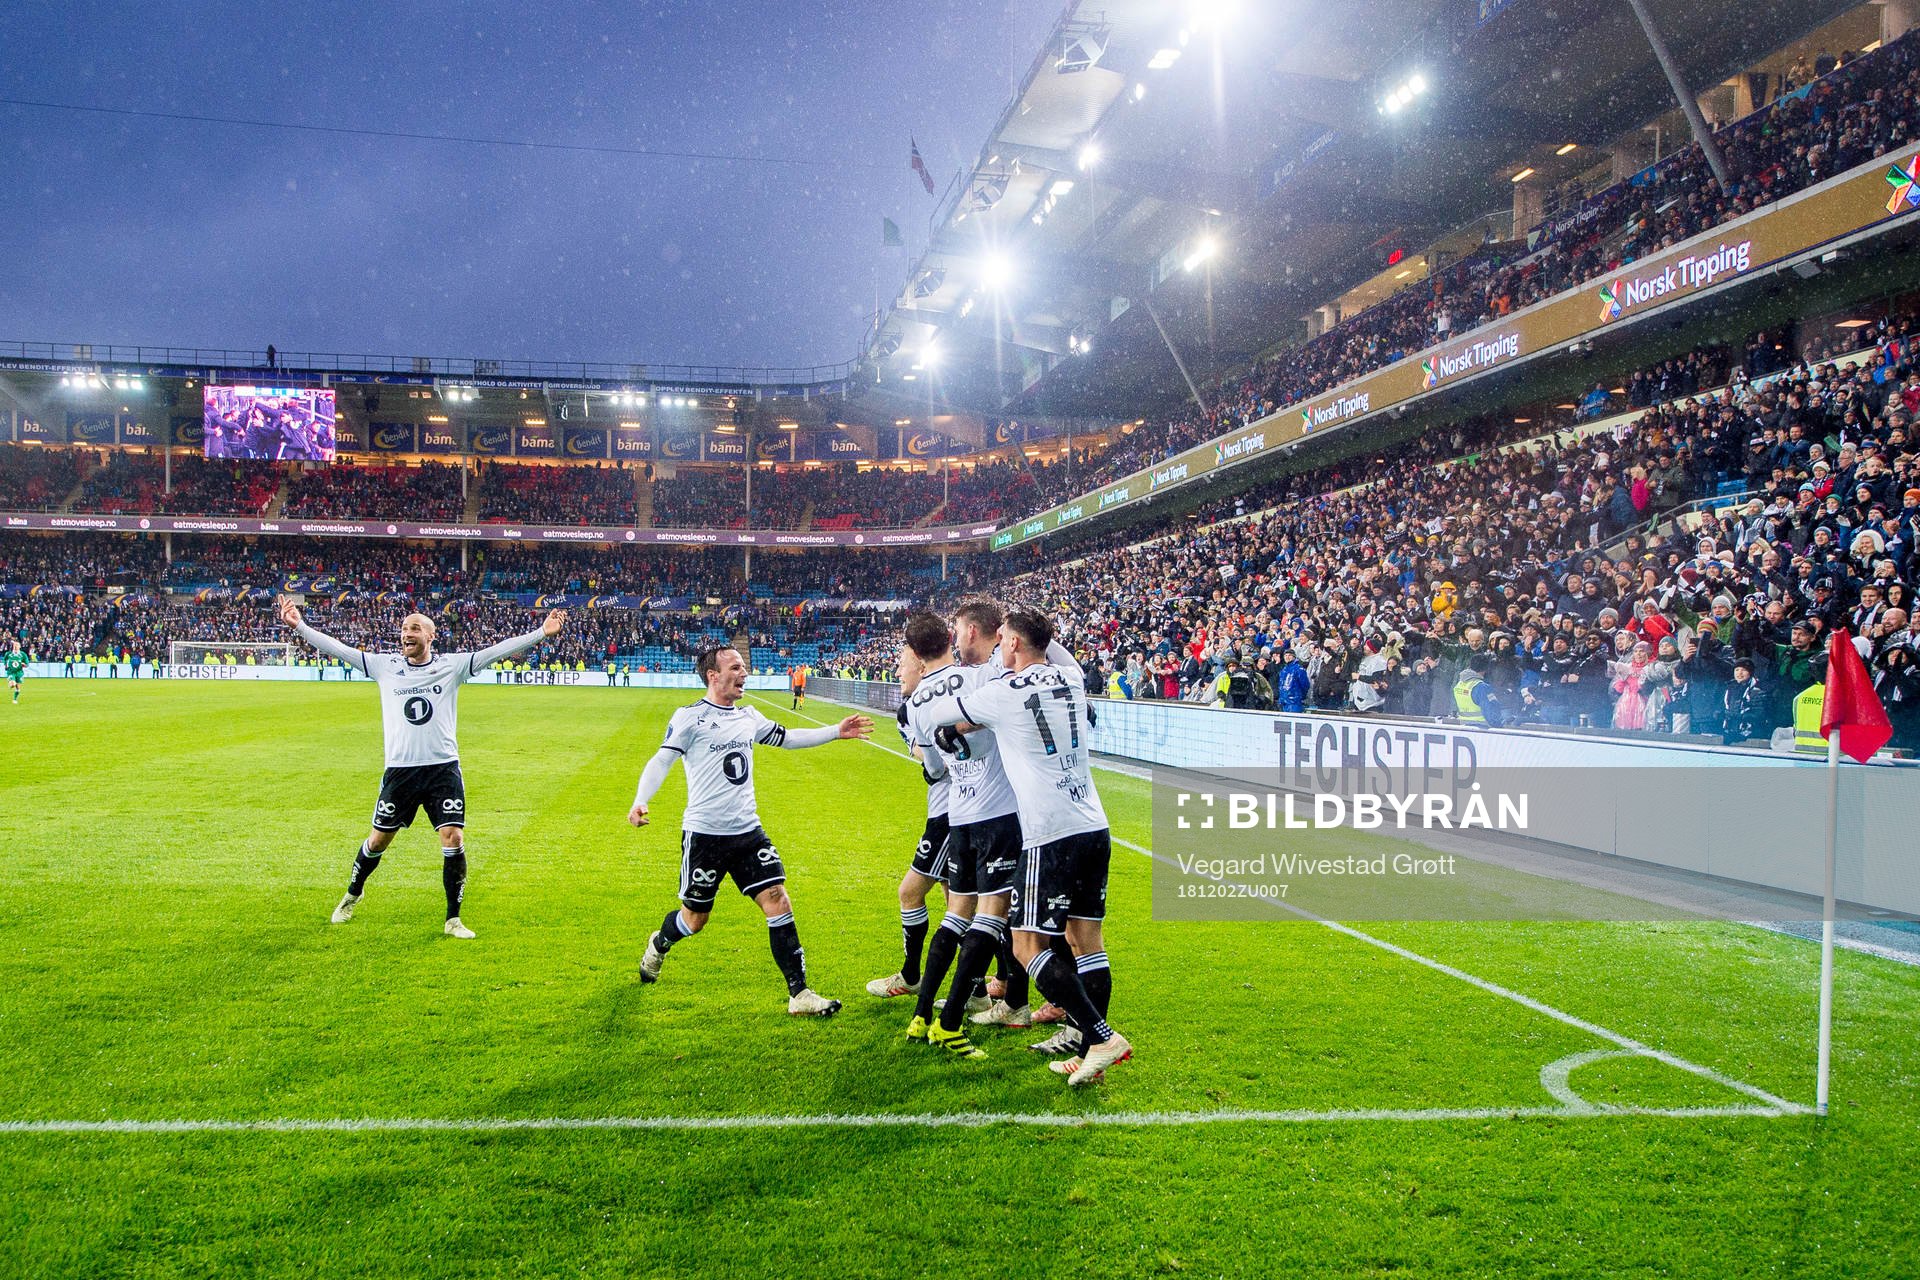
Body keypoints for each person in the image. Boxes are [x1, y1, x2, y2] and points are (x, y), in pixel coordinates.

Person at [922, 606, 1132, 1087]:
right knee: (1087, 943)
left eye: (1002, 639)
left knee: (1026, 943)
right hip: (1093, 825)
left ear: (1013, 643)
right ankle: (1090, 1055)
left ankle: (1101, 1037)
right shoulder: (1070, 679)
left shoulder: (1003, 692)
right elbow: (1060, 657)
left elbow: (938, 713)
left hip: (1049, 833)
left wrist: (963, 722)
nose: (998, 645)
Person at [278, 594, 566, 938]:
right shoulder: (385, 666)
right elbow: (339, 649)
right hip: (401, 771)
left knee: (453, 836)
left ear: (431, 636)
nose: (407, 633)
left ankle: (453, 919)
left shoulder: (451, 666)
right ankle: (353, 894)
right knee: (378, 841)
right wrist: (300, 626)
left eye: (415, 628)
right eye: (404, 628)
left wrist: (540, 632)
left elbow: (496, 651)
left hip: (442, 769)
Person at [629, 643, 870, 1016]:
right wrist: (640, 800)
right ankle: (660, 943)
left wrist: (835, 731)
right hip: (705, 836)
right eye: (736, 668)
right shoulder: (690, 717)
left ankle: (799, 994)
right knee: (694, 920)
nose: (745, 673)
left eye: (744, 667)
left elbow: (788, 737)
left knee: (778, 899)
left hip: (748, 832)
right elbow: (662, 760)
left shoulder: (748, 716)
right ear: (713, 676)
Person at [900, 599, 1027, 1057]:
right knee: (992, 917)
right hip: (999, 812)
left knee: (957, 914)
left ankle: (922, 1016)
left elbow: (934, 769)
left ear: (916, 654)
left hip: (959, 815)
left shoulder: (915, 704)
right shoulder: (980, 677)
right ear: (948, 639)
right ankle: (952, 1021)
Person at [865, 622, 956, 1002]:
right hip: (954, 806)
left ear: (920, 663)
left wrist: (935, 756)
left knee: (911, 892)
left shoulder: (922, 705)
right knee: (961, 901)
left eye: (901, 664)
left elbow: (935, 765)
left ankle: (911, 975)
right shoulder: (909, 712)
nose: (897, 672)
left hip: (952, 811)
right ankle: (984, 989)